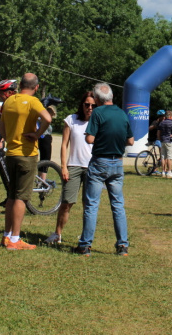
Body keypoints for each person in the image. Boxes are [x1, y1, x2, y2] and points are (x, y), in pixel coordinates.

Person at [75, 82, 133, 257]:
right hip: (117, 163)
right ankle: (122, 245)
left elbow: (90, 139)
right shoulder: (122, 114)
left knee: (92, 204)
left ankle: (85, 245)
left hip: (100, 162)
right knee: (118, 205)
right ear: (112, 97)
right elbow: (130, 141)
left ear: (97, 98)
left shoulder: (97, 113)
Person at [0, 72, 51, 251]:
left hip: (10, 154)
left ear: (20, 85)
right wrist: (36, 135)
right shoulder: (34, 101)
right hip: (26, 155)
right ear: (36, 87)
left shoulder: (8, 101)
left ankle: (6, 236)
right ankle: (15, 239)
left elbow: (1, 129)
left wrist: (11, 139)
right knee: (21, 197)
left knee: (11, 196)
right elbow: (48, 118)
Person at [44, 91, 94, 245]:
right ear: (82, 104)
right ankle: (57, 234)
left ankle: (85, 237)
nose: (90, 108)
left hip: (92, 167)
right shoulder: (71, 120)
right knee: (66, 202)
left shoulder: (98, 121)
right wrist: (64, 167)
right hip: (73, 166)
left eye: (93, 105)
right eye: (87, 104)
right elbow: (64, 145)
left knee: (89, 205)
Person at [157, 110, 172, 178]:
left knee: (163, 157)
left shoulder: (161, 123)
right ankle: (169, 172)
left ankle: (163, 171)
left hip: (163, 141)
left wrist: (160, 139)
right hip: (170, 141)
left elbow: (158, 133)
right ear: (171, 116)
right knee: (169, 157)